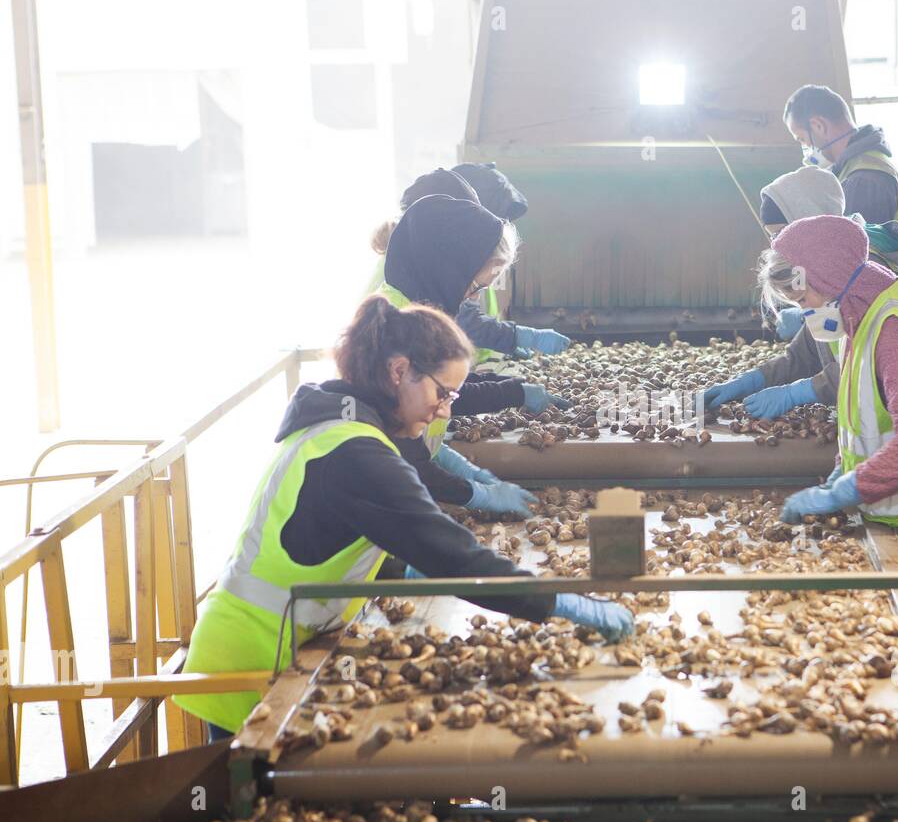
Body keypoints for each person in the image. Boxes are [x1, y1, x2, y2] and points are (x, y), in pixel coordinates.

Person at [174, 297, 634, 740]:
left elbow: (325, 535)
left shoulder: (340, 424)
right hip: (253, 661)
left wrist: (396, 566)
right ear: (399, 371)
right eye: (443, 392)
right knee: (245, 801)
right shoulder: (356, 451)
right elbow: (451, 552)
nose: (446, 409)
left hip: (280, 644)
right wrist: (560, 604)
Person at [759, 215, 898, 544]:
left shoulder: (895, 331)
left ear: (825, 276)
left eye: (803, 300)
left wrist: (843, 492)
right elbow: (865, 420)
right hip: (894, 518)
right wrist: (840, 472)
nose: (806, 312)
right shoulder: (858, 317)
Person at [380, 193, 578, 516]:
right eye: (472, 285)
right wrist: (476, 493)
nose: (470, 297)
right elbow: (401, 455)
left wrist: (446, 457)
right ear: (449, 269)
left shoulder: (417, 311)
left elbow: (432, 407)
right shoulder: (399, 327)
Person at [702, 167, 898, 421]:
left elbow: (867, 369)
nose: (777, 245)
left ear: (811, 225)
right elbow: (806, 354)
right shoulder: (826, 276)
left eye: (781, 234)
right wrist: (754, 380)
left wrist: (798, 393)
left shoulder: (860, 273)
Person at [369, 164, 569, 360]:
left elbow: (466, 326)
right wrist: (518, 341)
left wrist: (513, 343)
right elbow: (428, 384)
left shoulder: (431, 289)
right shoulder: (399, 321)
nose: (472, 297)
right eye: (475, 286)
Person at [782, 84, 898, 299]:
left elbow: (855, 269)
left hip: (890, 312)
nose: (806, 150)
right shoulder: (860, 167)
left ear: (818, 125)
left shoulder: (865, 179)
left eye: (803, 140)